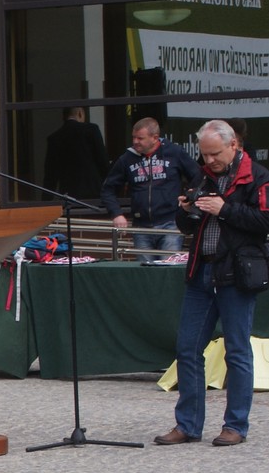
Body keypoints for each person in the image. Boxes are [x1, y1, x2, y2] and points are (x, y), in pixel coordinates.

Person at [154, 119, 269, 448]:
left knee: (237, 351)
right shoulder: (202, 175)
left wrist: (225, 209)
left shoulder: (258, 176)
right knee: (187, 349)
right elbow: (188, 226)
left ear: (233, 145)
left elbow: (265, 221)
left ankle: (235, 426)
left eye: (215, 154)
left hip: (236, 275)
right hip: (201, 272)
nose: (210, 160)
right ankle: (188, 425)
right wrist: (185, 211)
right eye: (205, 154)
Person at [100, 117, 202, 262]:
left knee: (168, 268)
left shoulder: (175, 152)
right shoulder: (127, 158)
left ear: (155, 138)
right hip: (141, 225)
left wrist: (188, 198)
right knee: (145, 271)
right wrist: (116, 213)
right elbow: (108, 189)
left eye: (140, 138)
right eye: (133, 137)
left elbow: (198, 177)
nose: (135, 141)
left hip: (171, 223)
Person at [42, 106, 108, 201]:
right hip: (93, 192)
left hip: (68, 195)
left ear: (64, 117)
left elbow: (50, 175)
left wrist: (46, 202)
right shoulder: (91, 130)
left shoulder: (54, 138)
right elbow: (103, 161)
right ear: (80, 113)